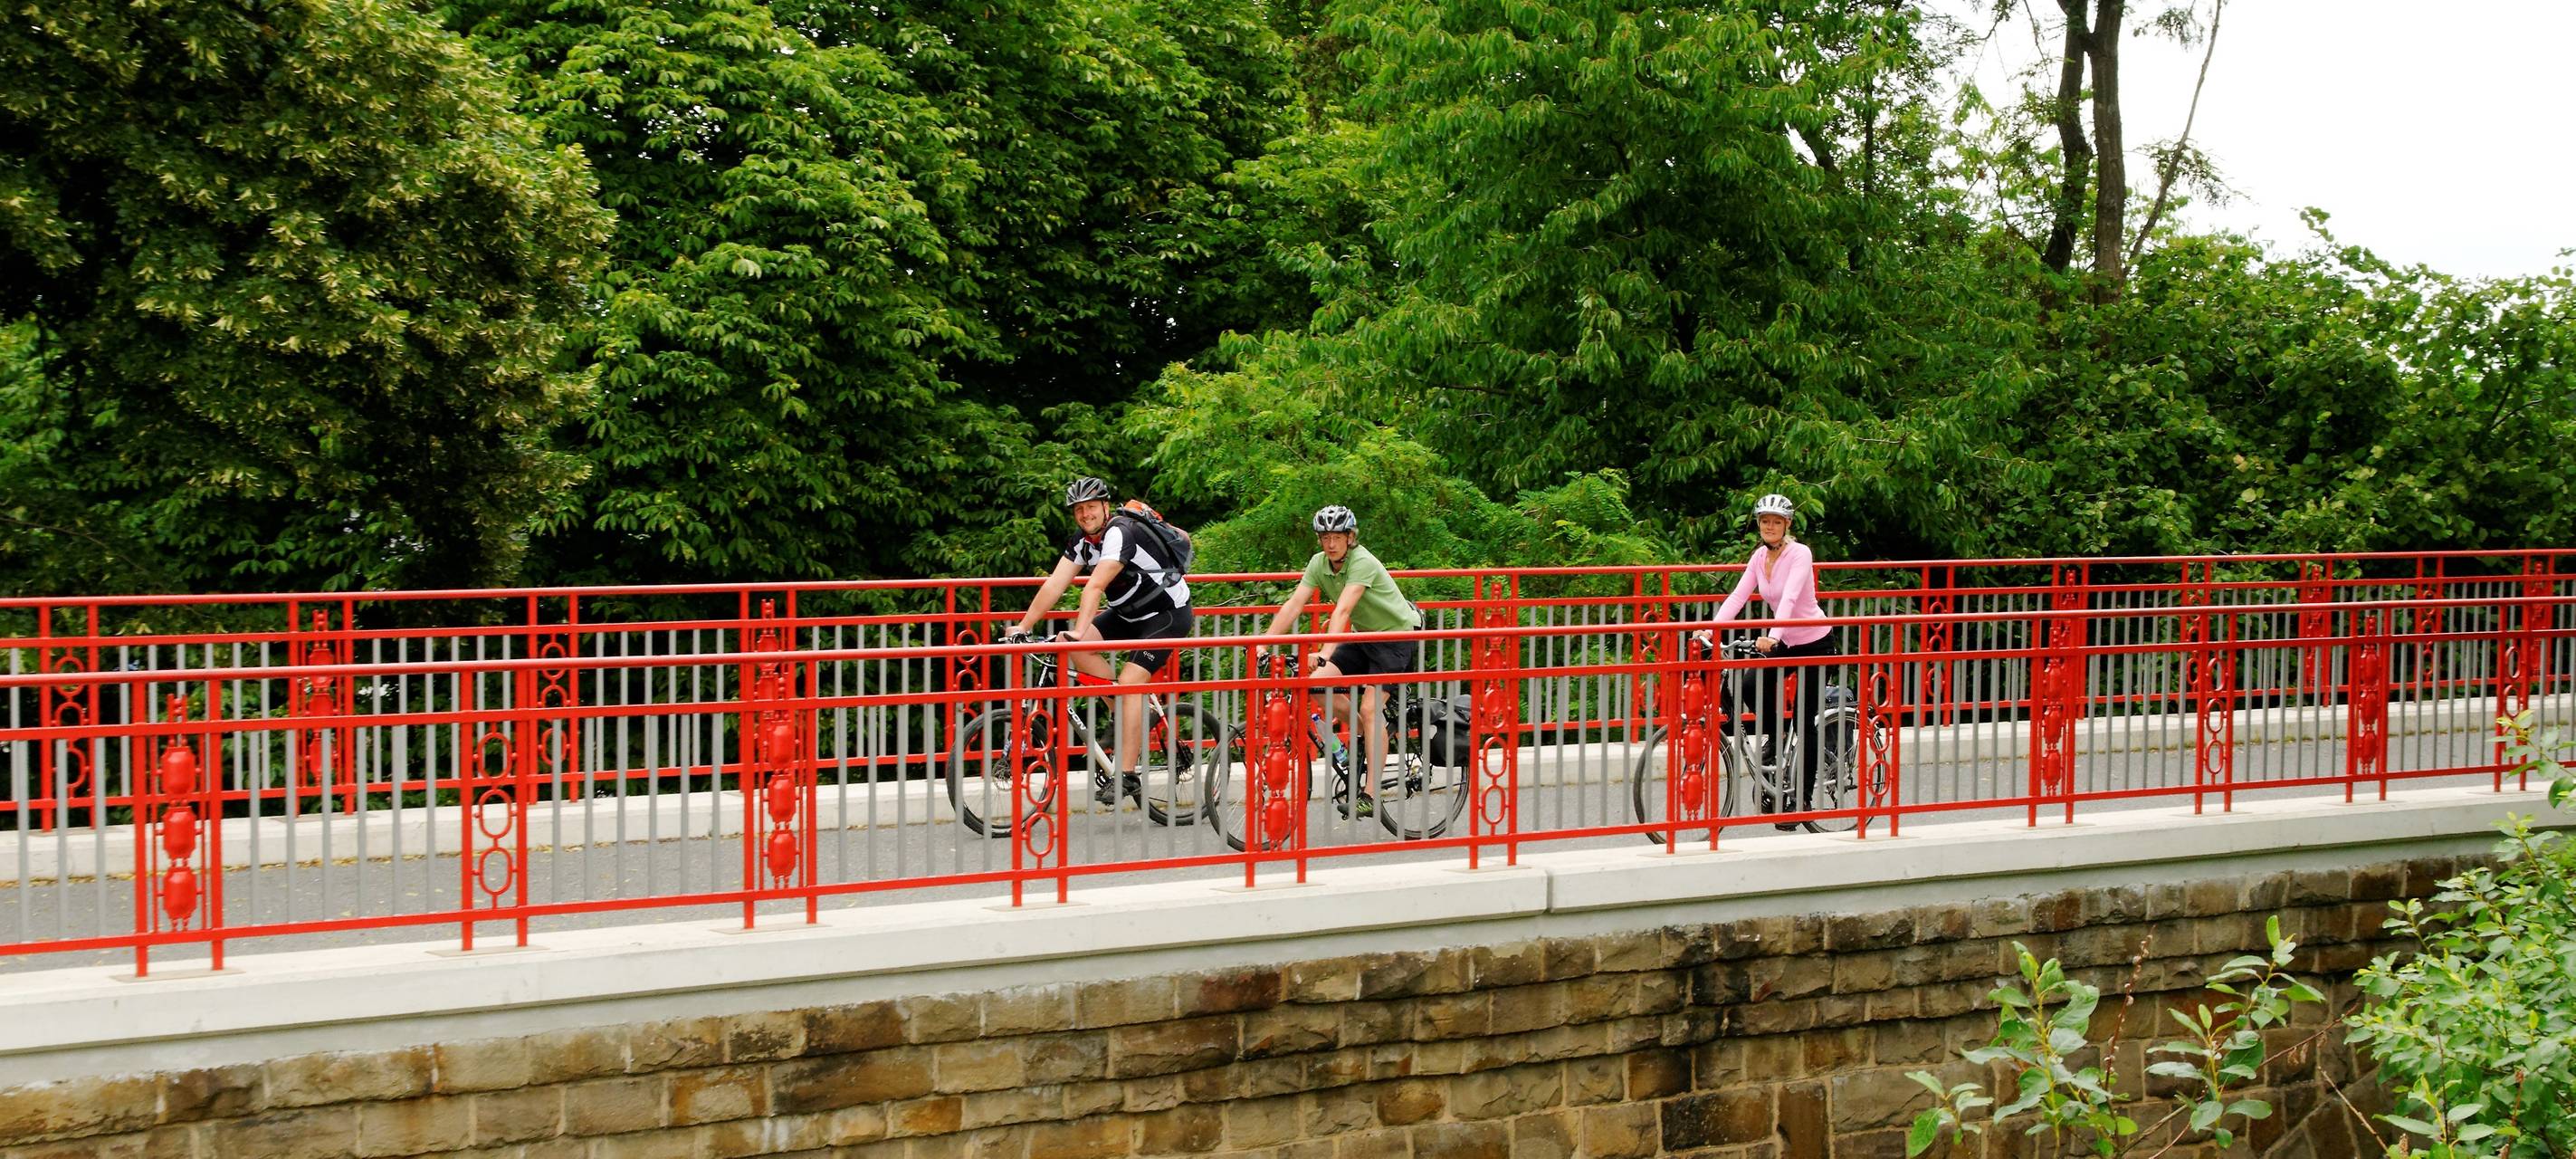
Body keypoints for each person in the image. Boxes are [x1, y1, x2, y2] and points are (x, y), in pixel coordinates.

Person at [1005, 476, 1195, 806]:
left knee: (1130, 679)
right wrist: (1022, 626)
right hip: (1128, 613)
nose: (1085, 514)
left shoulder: (1121, 532)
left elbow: (1093, 587)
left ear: (1105, 507)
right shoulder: (1082, 541)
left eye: (1091, 507)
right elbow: (1054, 585)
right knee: (1068, 644)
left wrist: (1081, 630)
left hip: (1167, 614)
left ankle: (1127, 775)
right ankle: (1121, 712)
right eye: (1079, 510)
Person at [1259, 505, 1425, 790]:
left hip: (1395, 637)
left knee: (1371, 708)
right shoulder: (1318, 563)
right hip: (1364, 637)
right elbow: (1295, 604)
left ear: (1350, 537)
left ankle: (1370, 793)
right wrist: (1262, 642)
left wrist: (1324, 653)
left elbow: (1343, 610)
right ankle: (1365, 735)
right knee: (1316, 686)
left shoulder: (1363, 562)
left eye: (1337, 536)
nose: (1331, 544)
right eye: (1325, 538)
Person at [1699, 493, 1837, 830]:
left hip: (1814, 642)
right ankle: (1776, 737)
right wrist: (1712, 630)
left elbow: (1790, 596)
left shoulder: (1800, 554)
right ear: (1759, 525)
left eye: (1776, 521)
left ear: (1787, 524)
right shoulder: (1760, 556)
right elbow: (1737, 596)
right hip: (1786, 639)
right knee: (1749, 683)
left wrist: (1773, 635)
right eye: (1765, 521)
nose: (1770, 527)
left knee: (1806, 720)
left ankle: (1800, 800)